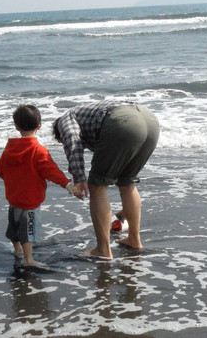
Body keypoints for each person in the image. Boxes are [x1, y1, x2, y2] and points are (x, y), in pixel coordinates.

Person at [52, 101, 160, 260]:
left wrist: (79, 178)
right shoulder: (86, 114)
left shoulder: (65, 119)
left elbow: (72, 140)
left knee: (96, 187)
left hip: (123, 122)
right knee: (127, 182)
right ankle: (134, 240)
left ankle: (103, 249)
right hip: (150, 120)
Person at [0, 103, 77, 268]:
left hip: (13, 198)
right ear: (39, 126)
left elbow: (1, 169)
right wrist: (67, 184)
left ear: (16, 127)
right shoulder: (38, 150)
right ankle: (28, 259)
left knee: (14, 226)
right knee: (28, 231)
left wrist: (12, 181)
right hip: (30, 201)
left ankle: (17, 249)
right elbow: (51, 171)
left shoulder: (9, 148)